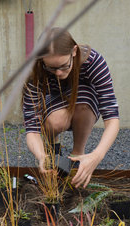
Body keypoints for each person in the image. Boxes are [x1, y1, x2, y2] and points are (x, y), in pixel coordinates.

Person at [22, 28, 119, 188]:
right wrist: (41, 156)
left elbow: (112, 117)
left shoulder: (93, 62)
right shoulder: (35, 70)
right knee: (55, 122)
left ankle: (77, 155)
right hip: (54, 99)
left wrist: (96, 156)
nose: (58, 73)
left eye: (63, 66)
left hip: (84, 98)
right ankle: (52, 146)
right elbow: (32, 128)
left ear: (74, 51)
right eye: (52, 68)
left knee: (83, 105)